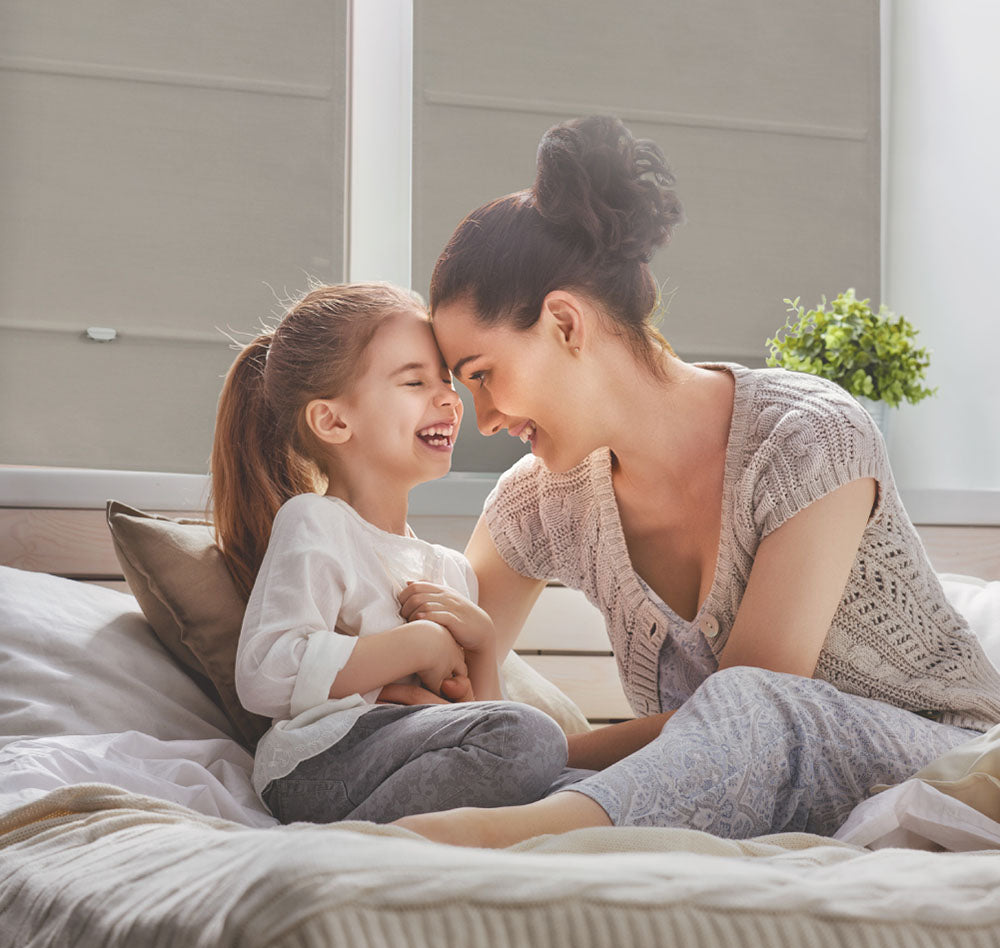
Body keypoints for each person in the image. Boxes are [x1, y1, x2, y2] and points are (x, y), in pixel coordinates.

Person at [384, 115, 1000, 847]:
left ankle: (489, 840)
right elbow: (439, 670)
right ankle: (496, 828)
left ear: (565, 324)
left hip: (946, 767)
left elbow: (755, 706)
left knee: (749, 705)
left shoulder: (806, 437)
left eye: (482, 375)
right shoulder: (541, 502)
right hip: (756, 790)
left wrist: (544, 755)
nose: (482, 418)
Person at [210, 282, 570, 824]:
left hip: (408, 754)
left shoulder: (448, 571)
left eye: (446, 381)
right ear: (333, 421)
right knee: (534, 742)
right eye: (414, 381)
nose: (450, 399)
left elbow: (480, 721)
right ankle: (356, 842)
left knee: (548, 757)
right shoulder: (315, 521)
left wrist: (481, 645)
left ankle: (430, 833)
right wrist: (418, 645)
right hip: (316, 764)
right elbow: (264, 672)